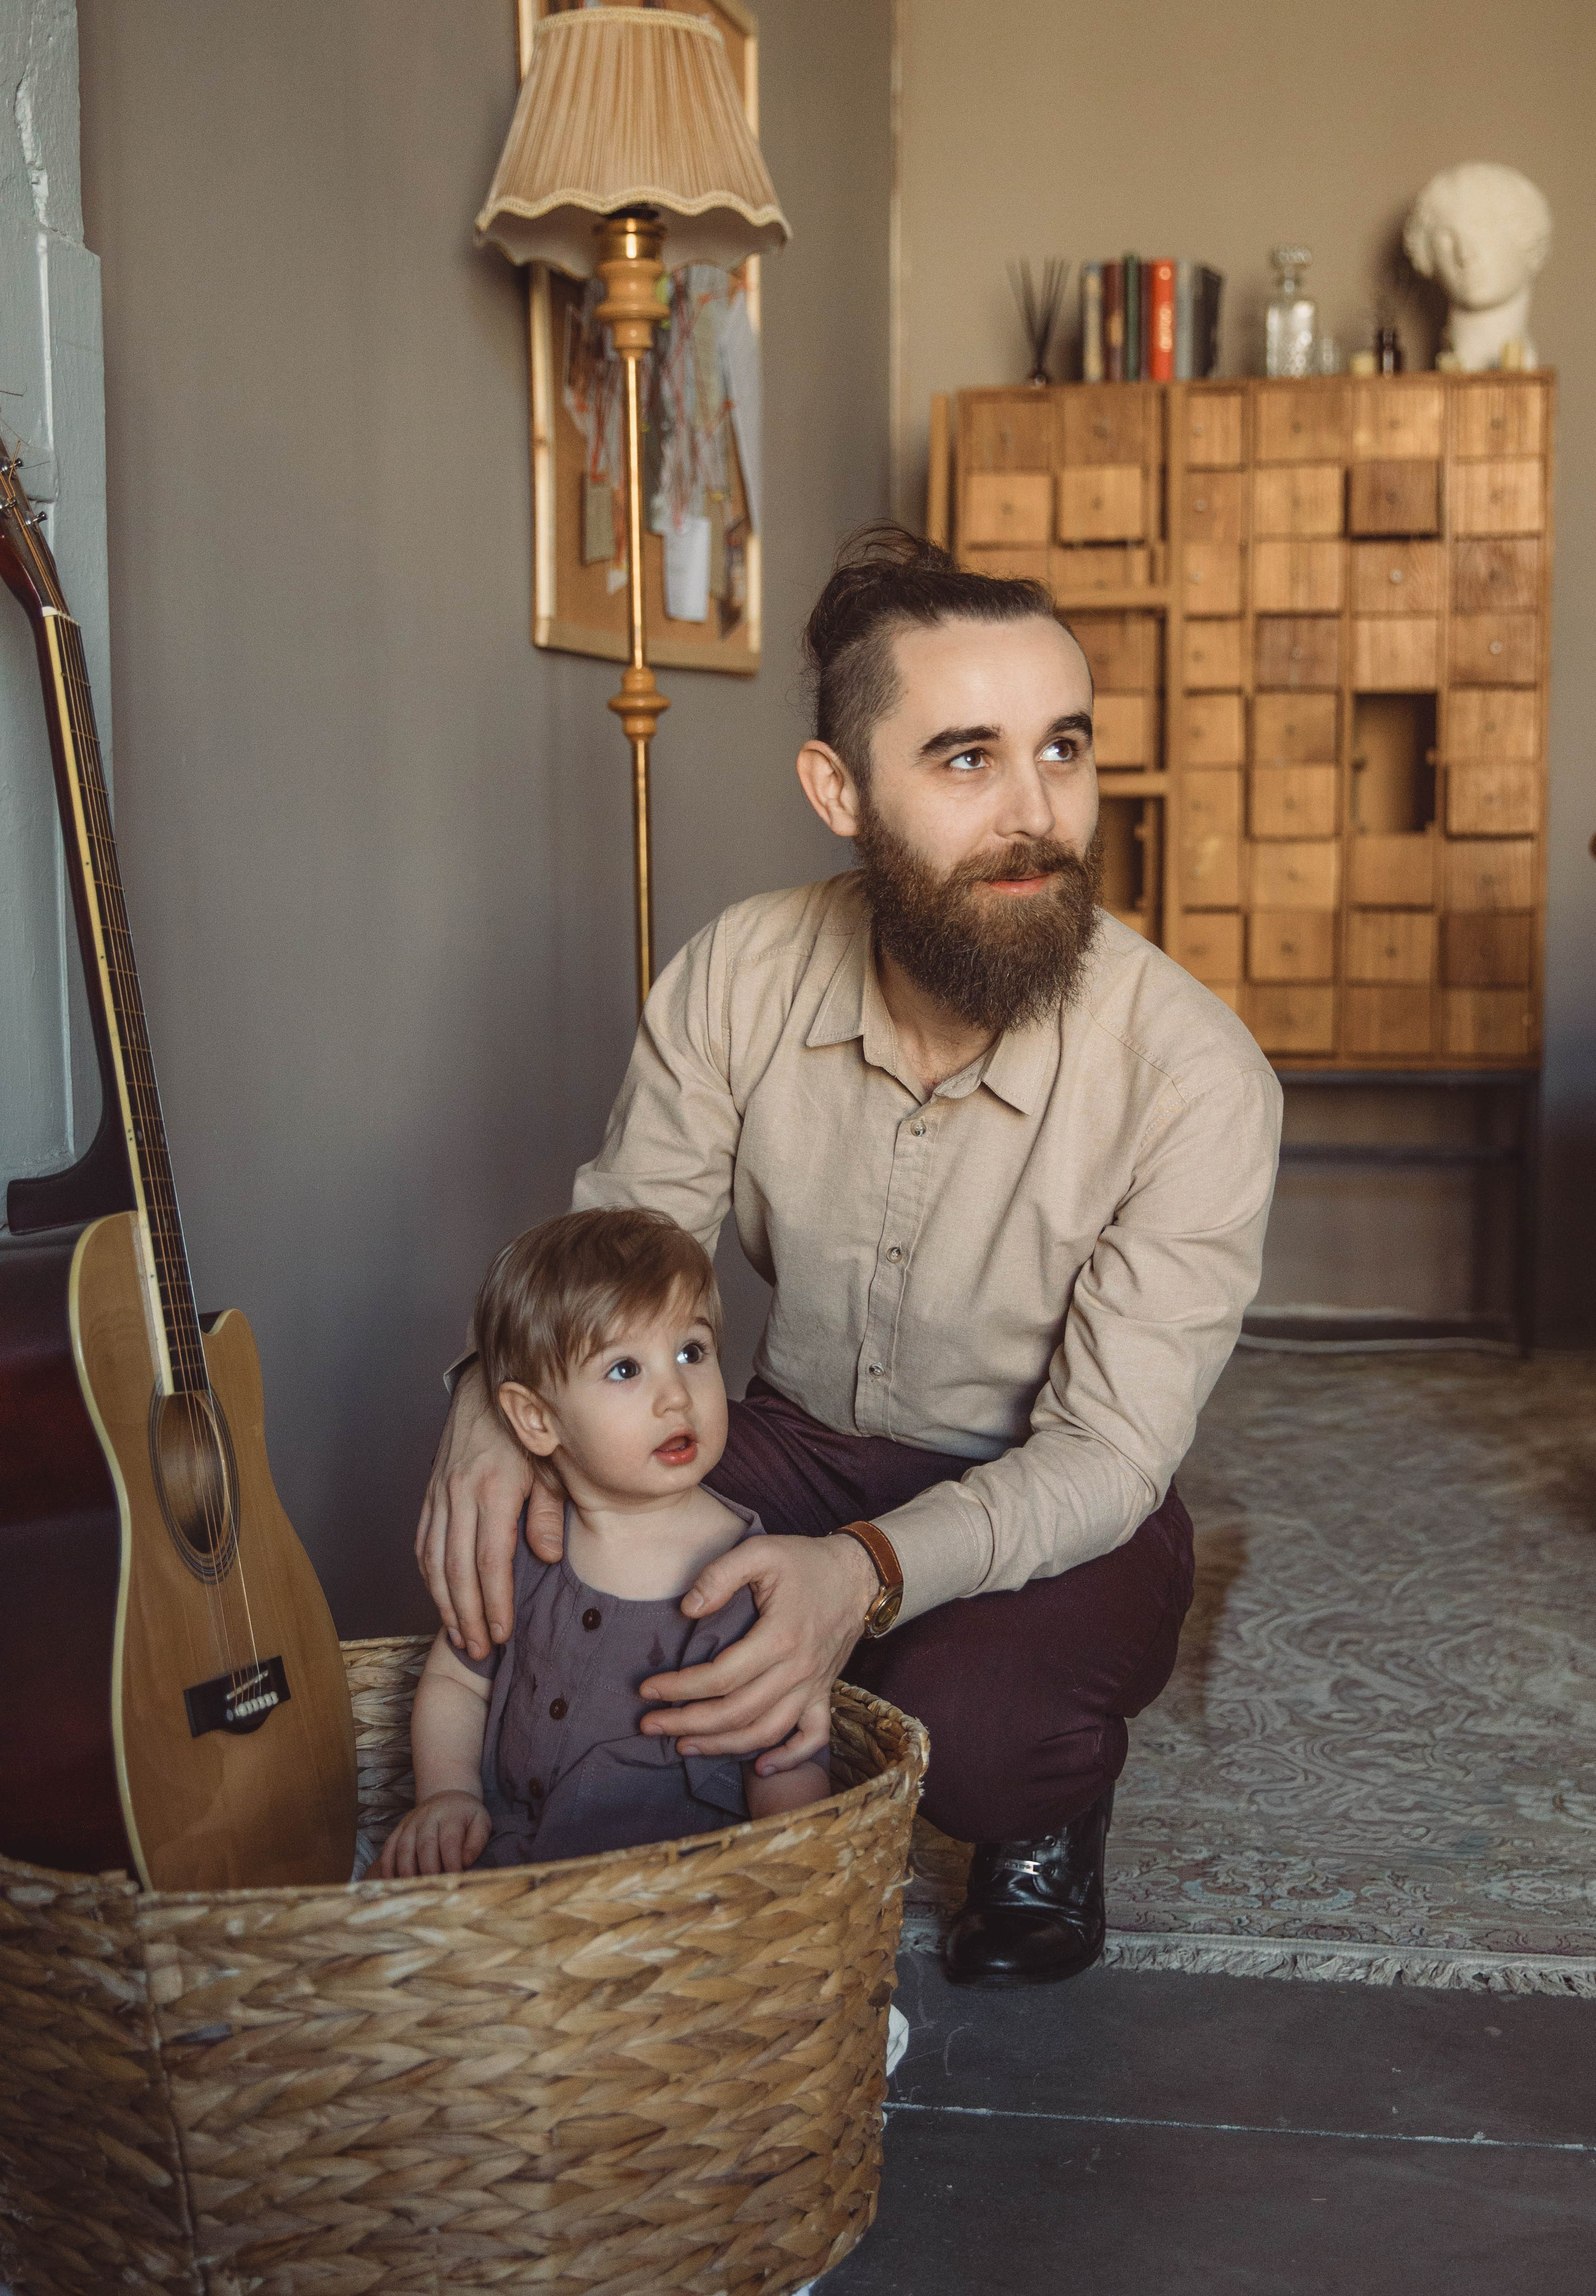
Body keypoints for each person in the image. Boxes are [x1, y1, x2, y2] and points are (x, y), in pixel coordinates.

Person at [416, 526, 1282, 1982]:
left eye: (1061, 748)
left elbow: (1108, 1452)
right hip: (793, 1438)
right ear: (838, 790)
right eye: (966, 758)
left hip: (1048, 1485)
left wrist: (859, 1576)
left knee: (971, 1730)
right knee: (540, 1538)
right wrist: (480, 1409)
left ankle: (1042, 1810)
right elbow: (617, 1252)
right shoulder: (739, 972)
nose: (1035, 813)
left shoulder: (1194, 1075)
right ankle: (617, 1812)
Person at [377, 1208, 829, 1878]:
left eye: (691, 1353)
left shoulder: (747, 1572)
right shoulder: (521, 1550)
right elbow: (455, 1682)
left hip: (683, 1885)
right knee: (391, 1911)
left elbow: (782, 1751)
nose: (675, 1397)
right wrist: (448, 1796)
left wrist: (795, 1868)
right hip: (514, 1867)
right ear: (537, 1420)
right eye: (625, 1369)